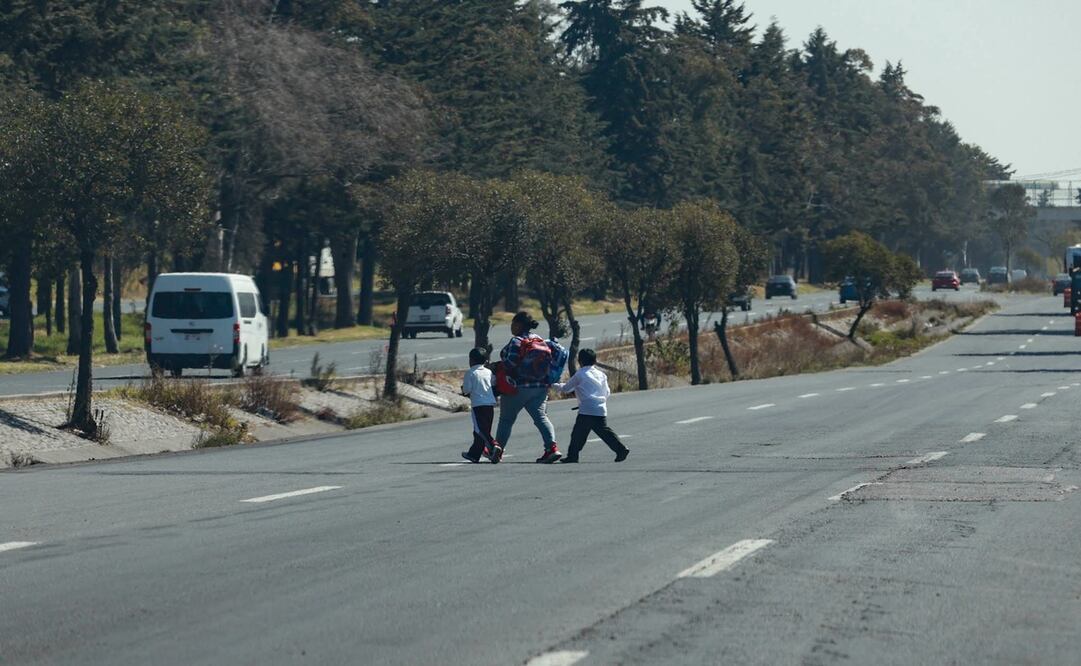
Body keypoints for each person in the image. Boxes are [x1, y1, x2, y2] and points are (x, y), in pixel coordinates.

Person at [494, 311, 565, 464]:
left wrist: (497, 367)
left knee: (506, 420)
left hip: (517, 388)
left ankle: (497, 450)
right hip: (540, 387)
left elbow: (510, 363)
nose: (511, 327)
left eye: (512, 324)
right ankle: (551, 448)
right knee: (541, 418)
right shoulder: (539, 339)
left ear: (518, 325)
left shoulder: (516, 341)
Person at [553, 348, 630, 464]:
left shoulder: (580, 374)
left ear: (580, 361)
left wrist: (553, 385)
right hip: (600, 408)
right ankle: (621, 449)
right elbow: (607, 392)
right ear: (594, 361)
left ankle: (573, 456)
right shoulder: (601, 374)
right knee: (604, 432)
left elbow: (566, 388)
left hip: (586, 409)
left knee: (578, 434)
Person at [461, 348, 500, 464]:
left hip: (478, 405)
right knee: (483, 429)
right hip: (490, 404)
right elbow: (493, 383)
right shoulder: (488, 372)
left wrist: (463, 390)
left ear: (471, 360)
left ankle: (494, 445)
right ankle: (474, 454)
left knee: (480, 430)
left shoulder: (470, 373)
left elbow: (467, 390)